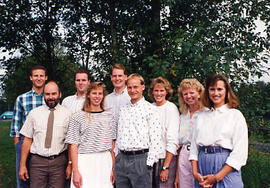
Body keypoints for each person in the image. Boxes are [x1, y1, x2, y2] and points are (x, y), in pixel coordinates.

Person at [189, 74, 248, 188]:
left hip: (226, 167)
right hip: (202, 165)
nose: (216, 93)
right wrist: (195, 172)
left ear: (226, 91)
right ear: (207, 91)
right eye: (212, 89)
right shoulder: (201, 116)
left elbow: (240, 152)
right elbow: (194, 147)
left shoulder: (235, 115)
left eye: (219, 89)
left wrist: (217, 177)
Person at [19, 81, 72, 188]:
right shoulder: (34, 114)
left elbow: (71, 143)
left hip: (59, 162)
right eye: (47, 94)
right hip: (37, 162)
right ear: (44, 95)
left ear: (59, 94)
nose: (51, 97)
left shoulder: (68, 114)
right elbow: (27, 140)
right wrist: (22, 165)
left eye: (54, 94)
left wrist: (70, 165)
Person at [115, 73, 164, 188]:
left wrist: (149, 163)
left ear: (143, 87)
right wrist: (117, 156)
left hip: (141, 159)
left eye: (135, 87)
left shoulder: (151, 110)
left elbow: (156, 138)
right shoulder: (123, 109)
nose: (132, 90)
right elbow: (119, 134)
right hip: (122, 159)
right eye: (130, 87)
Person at [65, 82, 116, 188]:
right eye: (94, 93)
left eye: (100, 93)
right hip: (84, 161)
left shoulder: (110, 116)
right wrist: (75, 170)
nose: (97, 97)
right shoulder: (77, 117)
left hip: (104, 161)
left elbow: (112, 145)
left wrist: (112, 169)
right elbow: (73, 145)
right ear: (88, 95)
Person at [10, 65, 47, 188]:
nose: (39, 78)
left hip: (44, 144)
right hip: (25, 143)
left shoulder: (51, 97)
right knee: (23, 178)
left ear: (45, 77)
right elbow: (15, 125)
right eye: (36, 75)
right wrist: (17, 144)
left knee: (41, 179)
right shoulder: (22, 98)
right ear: (31, 78)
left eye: (41, 75)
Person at [148, 76, 180, 188]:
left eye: (162, 90)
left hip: (166, 159)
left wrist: (165, 167)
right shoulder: (149, 108)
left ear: (167, 92)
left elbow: (173, 139)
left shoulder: (171, 108)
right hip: (151, 160)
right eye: (156, 90)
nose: (158, 94)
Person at [174, 78, 205, 188]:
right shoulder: (182, 115)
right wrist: (177, 175)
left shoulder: (206, 113)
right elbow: (179, 147)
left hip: (200, 155)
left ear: (199, 93)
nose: (188, 96)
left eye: (192, 92)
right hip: (184, 155)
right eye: (185, 94)